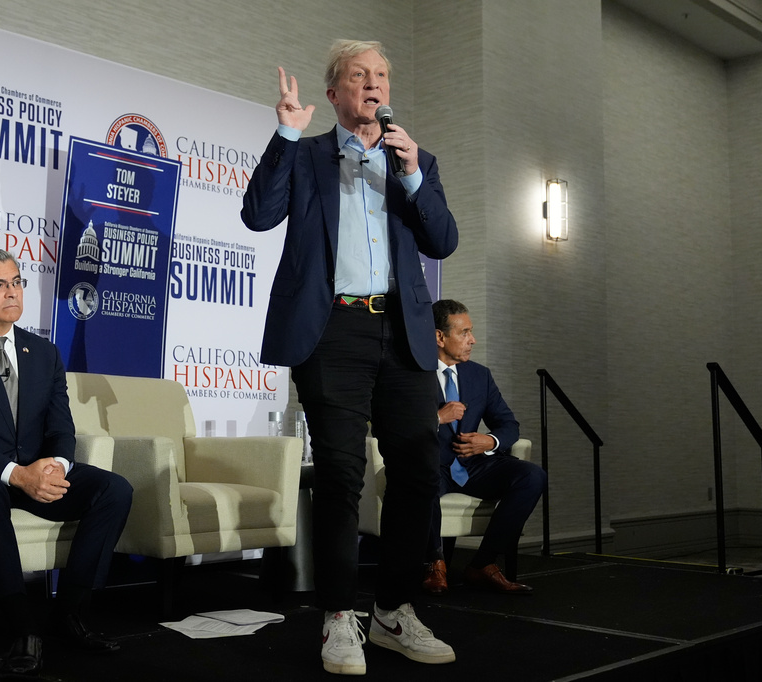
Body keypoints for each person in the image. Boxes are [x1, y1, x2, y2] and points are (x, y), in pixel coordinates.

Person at [241, 40, 459, 675]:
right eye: (359, 76)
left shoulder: (411, 160)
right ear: (334, 94)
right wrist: (284, 133)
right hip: (332, 332)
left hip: (403, 334)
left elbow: (442, 239)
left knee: (419, 472)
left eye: (382, 75)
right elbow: (258, 215)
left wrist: (414, 172)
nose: (373, 84)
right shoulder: (306, 157)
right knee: (340, 476)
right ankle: (340, 617)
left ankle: (393, 611)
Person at [0, 248, 133, 674]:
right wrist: (16, 474)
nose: (12, 292)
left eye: (17, 282)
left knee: (114, 488)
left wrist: (54, 464)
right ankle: (21, 627)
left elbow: (62, 427)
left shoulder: (44, 352)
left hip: (33, 471)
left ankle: (71, 612)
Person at [423, 299, 546, 596]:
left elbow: (508, 424)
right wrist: (437, 417)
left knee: (532, 476)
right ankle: (433, 565)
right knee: (420, 479)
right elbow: (392, 421)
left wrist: (488, 441)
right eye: (464, 332)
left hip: (473, 464)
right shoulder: (412, 373)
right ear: (440, 337)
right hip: (431, 464)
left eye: (471, 332)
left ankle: (484, 563)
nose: (472, 340)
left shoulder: (479, 375)